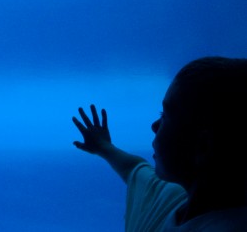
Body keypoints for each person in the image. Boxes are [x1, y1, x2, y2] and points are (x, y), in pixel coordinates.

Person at [72, 56, 247, 231]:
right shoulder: (171, 197)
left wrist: (104, 148)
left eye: (165, 116)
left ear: (203, 146)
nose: (154, 126)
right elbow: (133, 168)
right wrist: (104, 147)